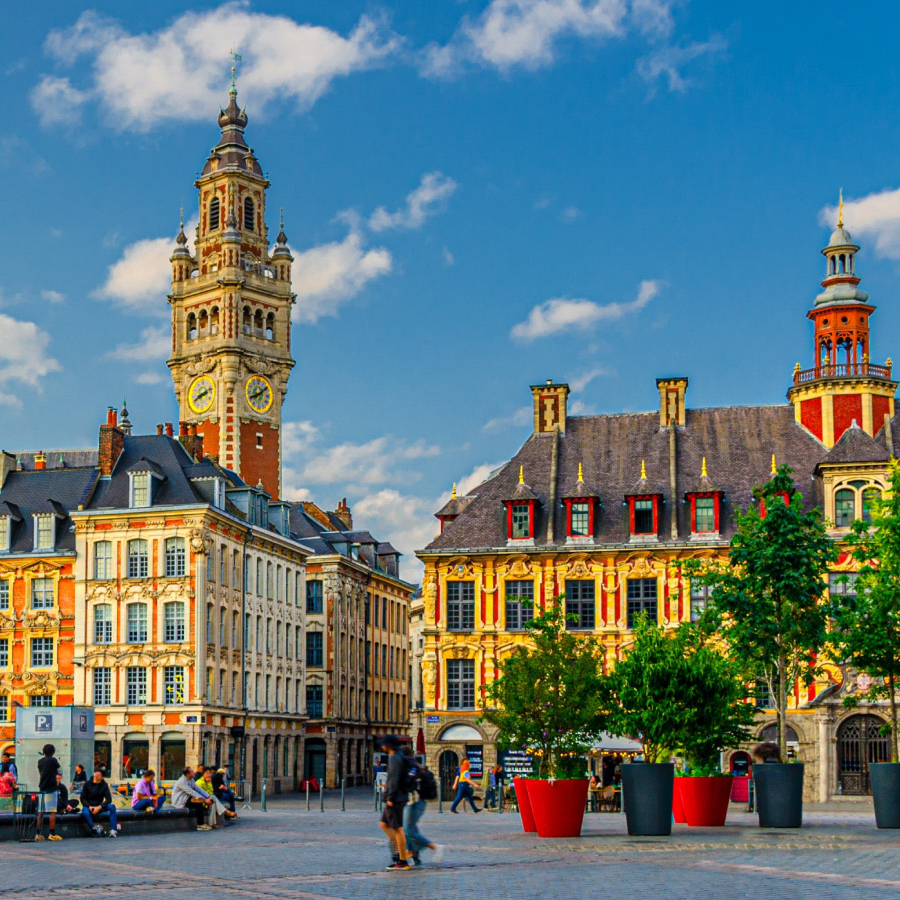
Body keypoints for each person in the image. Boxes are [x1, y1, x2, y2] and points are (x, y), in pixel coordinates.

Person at [402, 750, 444, 867]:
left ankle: (434, 847)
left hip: (413, 802)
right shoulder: (415, 767)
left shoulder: (411, 769)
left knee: (409, 830)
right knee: (409, 829)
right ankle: (411, 854)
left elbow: (409, 785)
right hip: (414, 802)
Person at [378, 735, 412, 871]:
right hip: (398, 796)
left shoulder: (394, 758)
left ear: (388, 746)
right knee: (384, 824)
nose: (382, 746)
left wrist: (390, 797)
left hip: (395, 798)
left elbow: (393, 779)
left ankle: (402, 858)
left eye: (383, 744)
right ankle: (401, 852)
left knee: (397, 829)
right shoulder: (398, 756)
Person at [80, 767, 119, 837]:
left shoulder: (104, 785)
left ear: (102, 777)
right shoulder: (87, 784)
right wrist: (89, 806)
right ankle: (94, 828)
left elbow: (108, 799)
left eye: (98, 775)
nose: (95, 776)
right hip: (89, 806)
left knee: (112, 807)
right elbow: (82, 798)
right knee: (85, 812)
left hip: (100, 806)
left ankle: (113, 829)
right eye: (95, 774)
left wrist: (100, 806)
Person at [35, 743, 62, 841]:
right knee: (52, 812)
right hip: (51, 789)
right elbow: (60, 771)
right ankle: (52, 833)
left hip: (42, 788)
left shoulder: (40, 761)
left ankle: (37, 834)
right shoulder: (53, 760)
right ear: (53, 752)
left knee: (40, 812)